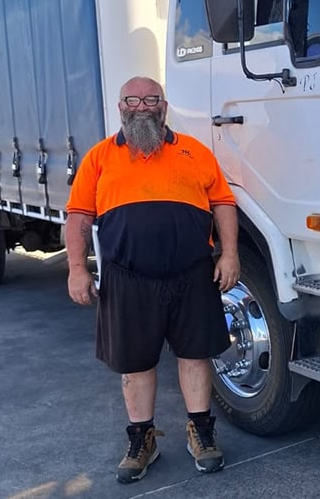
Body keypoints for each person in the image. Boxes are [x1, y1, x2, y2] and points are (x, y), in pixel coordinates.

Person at [65, 75, 240, 484]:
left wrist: (230, 254)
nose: (142, 107)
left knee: (195, 355)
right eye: (133, 100)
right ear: (120, 107)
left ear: (163, 107)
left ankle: (201, 432)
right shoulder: (99, 157)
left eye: (150, 100)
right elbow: (79, 217)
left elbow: (223, 202)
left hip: (192, 273)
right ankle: (142, 439)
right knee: (135, 362)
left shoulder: (194, 152)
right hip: (128, 278)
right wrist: (76, 268)